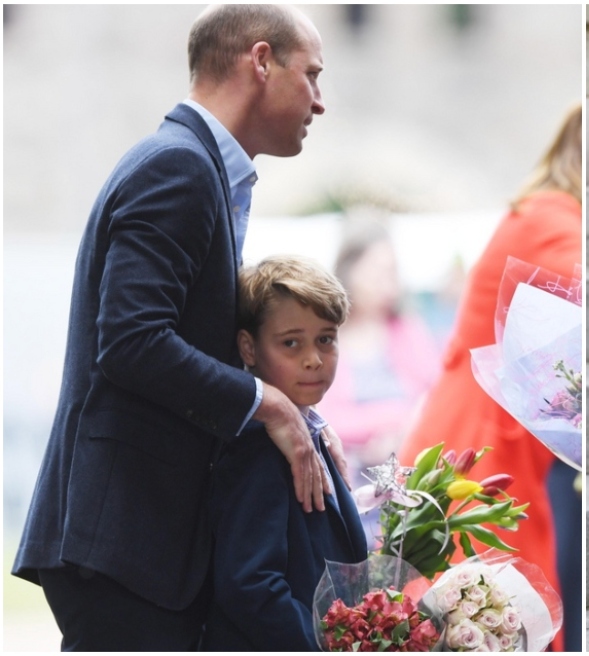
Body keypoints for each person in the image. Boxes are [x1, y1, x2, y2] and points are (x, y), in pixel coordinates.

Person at [12, 5, 343, 650]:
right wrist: (268, 404)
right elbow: (132, 340)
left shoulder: (195, 167)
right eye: (311, 75)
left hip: (142, 548)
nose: (319, 101)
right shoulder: (179, 168)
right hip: (125, 546)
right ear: (261, 60)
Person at [397, 104, 583, 652]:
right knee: (485, 616)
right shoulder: (551, 216)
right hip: (481, 448)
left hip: (483, 438)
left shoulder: (537, 210)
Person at [201, 255, 367, 651]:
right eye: (291, 343)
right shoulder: (258, 448)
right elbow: (250, 585)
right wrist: (322, 646)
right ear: (249, 347)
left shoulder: (312, 432)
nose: (313, 358)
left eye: (326, 339)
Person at [316, 222, 442, 491]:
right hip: (346, 485)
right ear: (349, 271)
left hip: (411, 481)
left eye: (392, 272)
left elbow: (437, 401)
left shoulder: (407, 329)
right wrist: (389, 425)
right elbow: (322, 417)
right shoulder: (327, 337)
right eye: (377, 272)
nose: (387, 283)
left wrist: (402, 436)